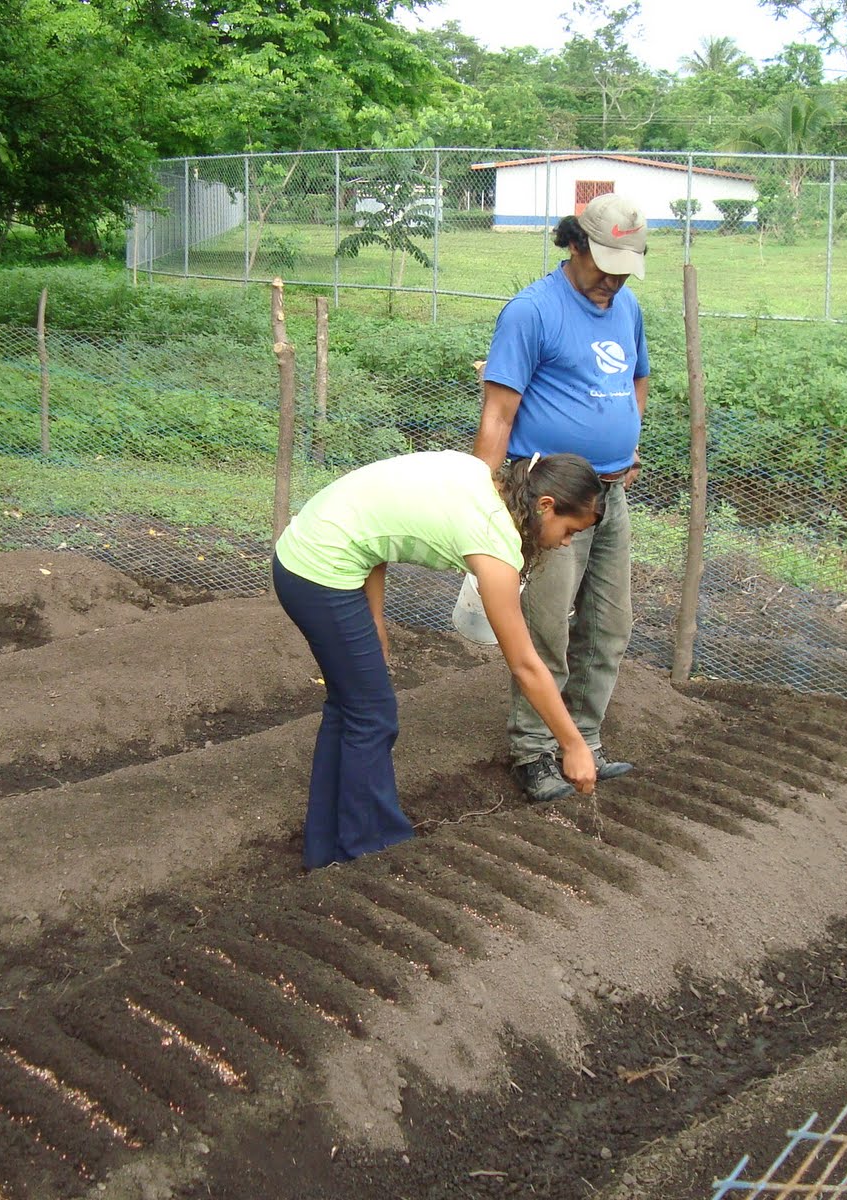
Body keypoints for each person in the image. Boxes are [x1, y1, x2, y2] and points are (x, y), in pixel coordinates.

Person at [273, 450, 605, 869]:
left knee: (351, 709)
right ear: (545, 505)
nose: (566, 542)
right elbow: (524, 664)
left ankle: (325, 852)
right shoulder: (493, 542)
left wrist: (375, 618)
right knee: (371, 715)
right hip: (319, 570)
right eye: (570, 529)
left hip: (308, 551)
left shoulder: (481, 477)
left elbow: (372, 520)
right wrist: (573, 745)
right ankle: (372, 851)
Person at [474, 192, 651, 804]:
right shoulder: (531, 311)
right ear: (574, 245)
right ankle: (534, 751)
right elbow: (498, 415)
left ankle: (587, 737)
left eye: (625, 266)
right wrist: (478, 502)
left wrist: (627, 443)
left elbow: (637, 377)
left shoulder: (627, 306)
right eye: (604, 263)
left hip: (607, 494)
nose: (613, 278)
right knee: (546, 626)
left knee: (609, 624)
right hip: (547, 497)